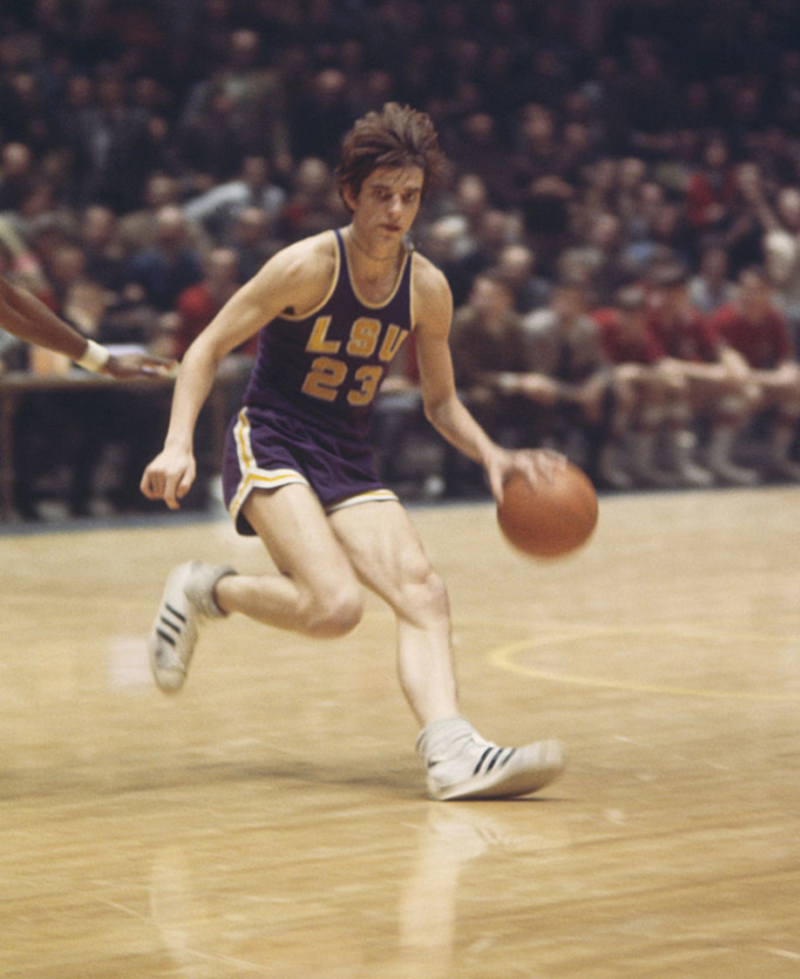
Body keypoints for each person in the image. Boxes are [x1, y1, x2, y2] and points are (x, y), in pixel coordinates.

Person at [140, 103, 566, 802]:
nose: (396, 211)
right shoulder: (306, 265)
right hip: (271, 437)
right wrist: (177, 443)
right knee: (336, 605)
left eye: (411, 196)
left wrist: (494, 457)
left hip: (343, 450)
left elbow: (441, 402)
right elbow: (206, 346)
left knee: (422, 591)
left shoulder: (426, 288)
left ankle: (452, 752)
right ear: (349, 193)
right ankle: (204, 588)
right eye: (381, 195)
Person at [0, 273, 170, 378]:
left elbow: (13, 303)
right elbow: (13, 304)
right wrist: (105, 361)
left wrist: (104, 360)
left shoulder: (112, 328)